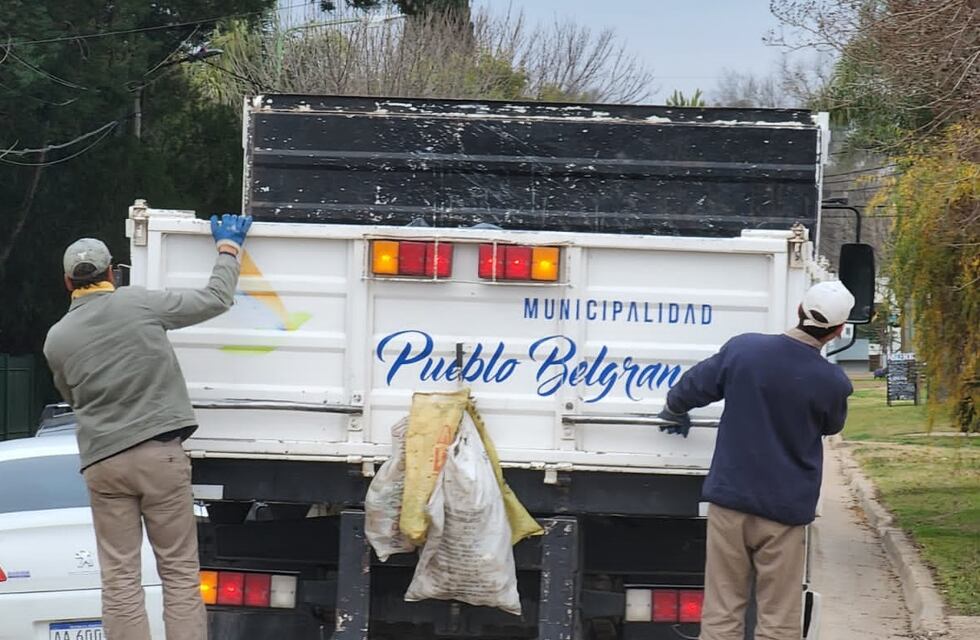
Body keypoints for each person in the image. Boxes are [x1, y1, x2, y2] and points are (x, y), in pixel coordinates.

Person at [43, 214, 252, 640]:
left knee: (119, 579)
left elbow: (72, 395)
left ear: (68, 282)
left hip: (103, 463)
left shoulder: (56, 339)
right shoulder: (137, 303)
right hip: (159, 455)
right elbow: (215, 299)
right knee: (177, 571)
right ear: (112, 273)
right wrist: (228, 249)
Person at [657, 281, 855, 640]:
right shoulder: (832, 382)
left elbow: (692, 386)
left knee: (722, 608)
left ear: (799, 309)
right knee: (778, 617)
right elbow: (832, 424)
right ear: (838, 331)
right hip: (784, 510)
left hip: (730, 500)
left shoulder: (744, 350)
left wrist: (674, 409)